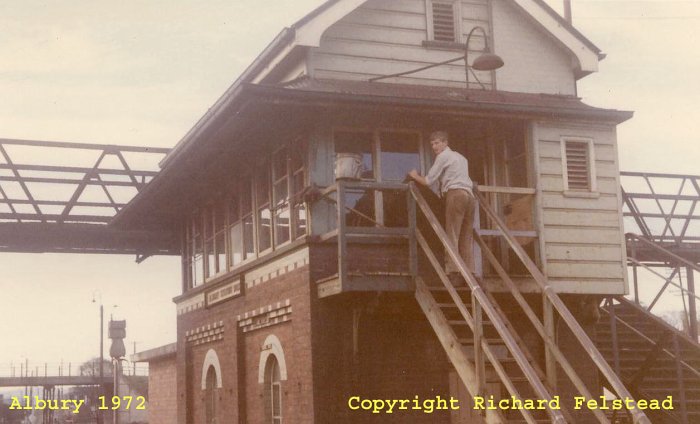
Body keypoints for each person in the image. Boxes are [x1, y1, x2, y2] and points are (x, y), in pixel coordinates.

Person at [409, 131, 475, 282]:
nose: (434, 147)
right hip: (470, 197)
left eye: (437, 143)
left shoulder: (443, 156)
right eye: (432, 144)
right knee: (466, 235)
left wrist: (414, 176)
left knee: (451, 233)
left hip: (455, 194)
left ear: (445, 142)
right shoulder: (461, 157)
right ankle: (469, 272)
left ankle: (453, 271)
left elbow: (427, 181)